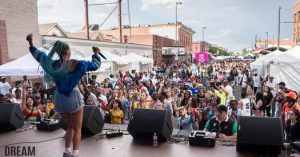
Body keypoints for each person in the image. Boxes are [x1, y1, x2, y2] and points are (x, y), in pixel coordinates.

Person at [26, 34, 102, 157]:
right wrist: (96, 54)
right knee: (77, 128)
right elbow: (95, 65)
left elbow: (39, 56)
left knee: (70, 127)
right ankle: (75, 154)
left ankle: (67, 153)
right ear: (67, 51)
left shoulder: (53, 65)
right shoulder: (76, 64)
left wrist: (31, 43)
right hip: (72, 96)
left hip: (59, 98)